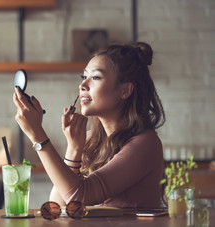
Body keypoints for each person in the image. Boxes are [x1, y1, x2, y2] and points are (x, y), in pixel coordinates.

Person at [13, 42, 165, 208]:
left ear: (125, 90)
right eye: (84, 77)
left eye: (96, 77)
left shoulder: (145, 144)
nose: (83, 86)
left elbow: (81, 196)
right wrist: (73, 150)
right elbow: (58, 204)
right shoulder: (89, 139)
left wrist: (38, 135)